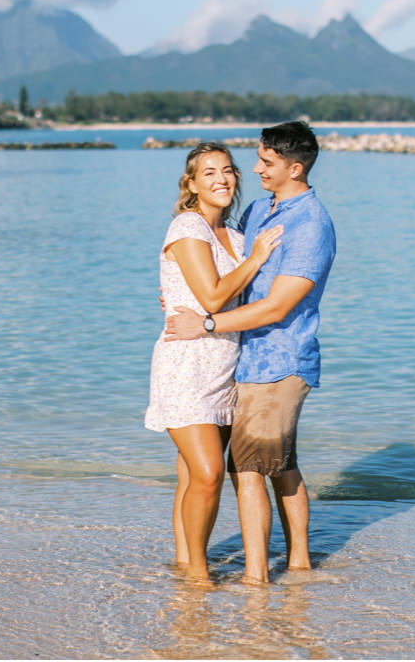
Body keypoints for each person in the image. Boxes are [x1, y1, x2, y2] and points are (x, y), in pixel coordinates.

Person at [165, 121, 336, 584]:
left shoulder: (311, 223)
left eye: (266, 162)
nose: (253, 169)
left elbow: (279, 303)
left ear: (294, 168)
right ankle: (295, 563)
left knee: (249, 468)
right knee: (278, 466)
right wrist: (178, 290)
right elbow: (221, 270)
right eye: (256, 160)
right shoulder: (258, 212)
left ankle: (256, 578)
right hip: (239, 361)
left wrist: (205, 322)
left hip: (281, 359)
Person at [145, 142, 284, 582]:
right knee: (207, 474)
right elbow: (211, 296)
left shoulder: (237, 236)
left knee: (191, 476)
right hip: (185, 365)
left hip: (225, 368)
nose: (221, 179)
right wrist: (258, 259)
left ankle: (185, 564)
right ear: (191, 185)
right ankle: (200, 578)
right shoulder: (188, 227)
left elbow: (231, 297)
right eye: (208, 173)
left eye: (228, 170)